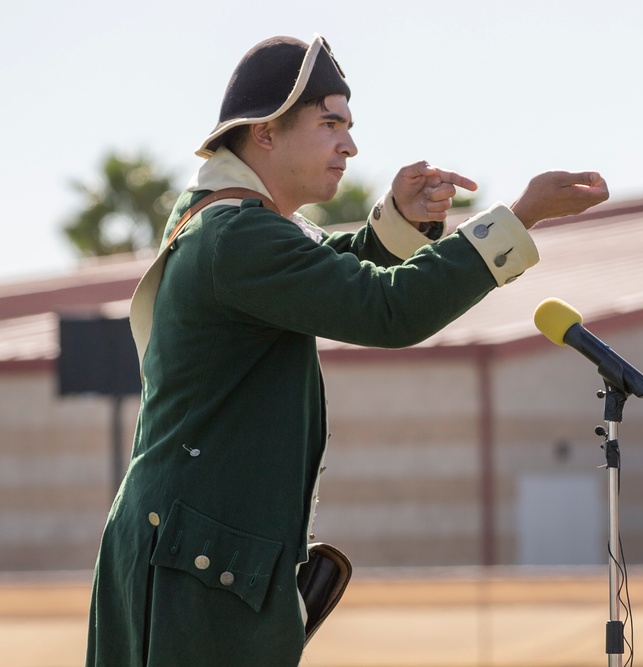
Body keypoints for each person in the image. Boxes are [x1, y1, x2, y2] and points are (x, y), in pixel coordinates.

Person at [85, 34, 608, 667]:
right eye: (330, 124)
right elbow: (390, 309)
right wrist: (520, 217)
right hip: (192, 568)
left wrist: (398, 224)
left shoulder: (226, 223)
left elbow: (324, 269)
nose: (350, 146)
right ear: (265, 134)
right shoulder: (236, 235)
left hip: (190, 555)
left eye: (349, 127)